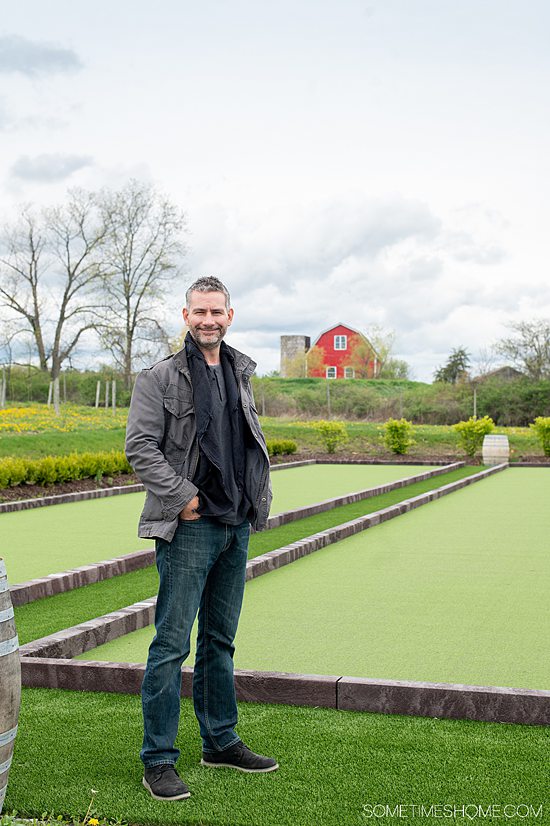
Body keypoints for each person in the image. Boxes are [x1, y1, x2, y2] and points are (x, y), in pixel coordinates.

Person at [125, 276, 278, 802]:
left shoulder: (242, 371)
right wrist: (184, 496)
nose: (208, 320)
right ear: (185, 316)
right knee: (171, 645)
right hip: (190, 526)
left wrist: (253, 502)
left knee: (220, 641)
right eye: (199, 312)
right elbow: (141, 448)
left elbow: (246, 443)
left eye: (217, 311)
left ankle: (220, 740)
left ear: (229, 315)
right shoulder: (158, 378)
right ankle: (159, 760)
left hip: (236, 525)